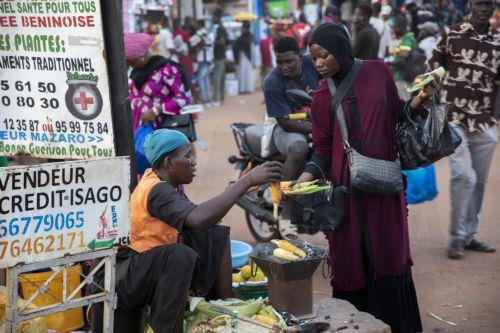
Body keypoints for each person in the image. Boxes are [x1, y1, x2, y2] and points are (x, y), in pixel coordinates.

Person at [300, 22, 439, 333]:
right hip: (347, 197)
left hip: (384, 190)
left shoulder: (378, 72)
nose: (319, 64)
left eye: (324, 56)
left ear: (340, 49)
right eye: (314, 59)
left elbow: (396, 115)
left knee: (389, 256)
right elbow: (321, 150)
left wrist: (417, 102)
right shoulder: (322, 96)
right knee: (351, 261)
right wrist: (303, 179)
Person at [92, 129, 283, 333]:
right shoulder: (155, 189)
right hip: (122, 277)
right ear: (169, 162)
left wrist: (238, 189)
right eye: (188, 155)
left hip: (142, 267)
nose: (193, 162)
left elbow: (204, 219)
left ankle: (226, 309)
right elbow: (197, 218)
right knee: (179, 255)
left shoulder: (166, 186)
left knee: (214, 235)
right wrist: (245, 182)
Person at [428, 0, 499, 259]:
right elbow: (433, 67)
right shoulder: (452, 33)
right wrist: (431, 100)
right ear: (470, 5)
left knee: (479, 182)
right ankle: (457, 237)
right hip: (454, 118)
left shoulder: (498, 42)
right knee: (463, 176)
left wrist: (494, 116)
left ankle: (469, 235)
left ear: (493, 9)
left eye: (488, 4)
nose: (483, 8)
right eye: (479, 3)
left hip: (484, 123)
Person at [263, 36, 320, 181]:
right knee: (299, 149)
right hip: (286, 127)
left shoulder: (313, 64)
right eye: (279, 62)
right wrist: (319, 128)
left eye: (289, 61)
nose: (284, 66)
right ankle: (286, 198)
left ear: (300, 56)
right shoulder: (272, 82)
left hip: (316, 121)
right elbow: (285, 123)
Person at [124, 33, 192, 132]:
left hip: (165, 128)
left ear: (141, 57)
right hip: (142, 128)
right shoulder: (137, 73)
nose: (131, 67)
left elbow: (183, 99)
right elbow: (133, 93)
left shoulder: (167, 70)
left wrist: (156, 111)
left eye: (132, 63)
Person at [387, 15, 416, 99]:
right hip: (401, 78)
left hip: (402, 78)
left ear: (400, 26)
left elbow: (402, 60)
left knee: (403, 103)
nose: (393, 29)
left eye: (394, 27)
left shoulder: (406, 40)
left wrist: (387, 63)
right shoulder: (404, 39)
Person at [191, 21, 214, 106]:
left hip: (202, 58)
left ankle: (204, 98)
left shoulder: (200, 33)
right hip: (208, 58)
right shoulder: (208, 33)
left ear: (200, 25)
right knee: (205, 78)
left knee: (201, 78)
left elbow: (193, 43)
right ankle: (208, 97)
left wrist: (197, 45)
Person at [212, 12, 229, 106]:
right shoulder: (222, 27)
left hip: (219, 56)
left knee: (216, 78)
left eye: (213, 16)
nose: (212, 18)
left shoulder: (219, 28)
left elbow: (222, 41)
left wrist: (213, 42)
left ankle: (216, 99)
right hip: (222, 55)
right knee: (221, 77)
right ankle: (221, 98)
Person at [234, 21, 255, 94]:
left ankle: (247, 88)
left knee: (246, 72)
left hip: (246, 56)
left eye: (244, 27)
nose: (243, 29)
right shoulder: (247, 36)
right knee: (244, 72)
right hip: (244, 55)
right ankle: (243, 89)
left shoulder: (246, 36)